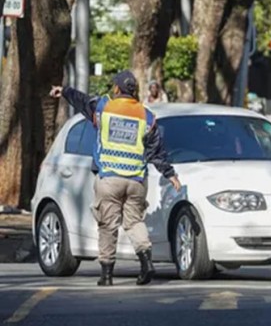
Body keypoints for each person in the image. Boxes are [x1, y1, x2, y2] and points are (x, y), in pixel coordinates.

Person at [50, 70, 182, 287]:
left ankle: (107, 275)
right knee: (134, 222)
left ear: (117, 89)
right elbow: (156, 150)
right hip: (136, 180)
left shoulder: (104, 107)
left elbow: (82, 101)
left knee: (107, 225)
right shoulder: (146, 115)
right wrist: (170, 174)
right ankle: (146, 263)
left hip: (109, 177)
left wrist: (64, 91)